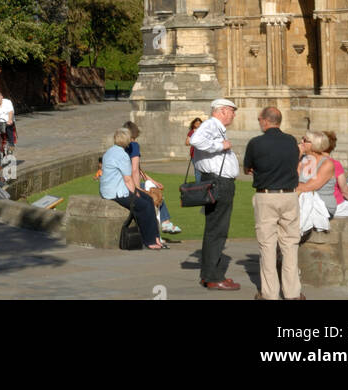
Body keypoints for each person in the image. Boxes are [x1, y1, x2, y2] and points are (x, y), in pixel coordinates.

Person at [242, 105, 303, 301]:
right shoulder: (291, 141)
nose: (259, 122)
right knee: (290, 245)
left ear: (266, 121)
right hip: (289, 195)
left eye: (260, 119)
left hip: (267, 195)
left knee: (267, 246)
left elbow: (247, 168)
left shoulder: (256, 143)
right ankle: (292, 293)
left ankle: (270, 294)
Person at [191, 98, 240, 290]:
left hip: (218, 181)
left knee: (216, 229)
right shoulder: (211, 124)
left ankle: (212, 273)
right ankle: (212, 276)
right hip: (218, 182)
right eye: (232, 111)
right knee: (217, 229)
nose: (234, 115)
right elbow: (196, 140)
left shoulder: (216, 127)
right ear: (223, 111)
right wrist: (221, 146)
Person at [99, 128, 163, 249]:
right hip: (116, 192)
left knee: (149, 200)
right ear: (127, 140)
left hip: (109, 189)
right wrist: (135, 193)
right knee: (143, 205)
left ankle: (155, 237)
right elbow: (128, 179)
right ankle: (149, 241)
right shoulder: (122, 155)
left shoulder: (109, 151)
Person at [123, 122, 181, 233]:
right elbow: (134, 169)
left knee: (155, 188)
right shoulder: (134, 145)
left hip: (122, 183)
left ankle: (165, 223)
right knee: (155, 194)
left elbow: (138, 169)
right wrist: (137, 188)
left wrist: (152, 180)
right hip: (131, 184)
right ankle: (165, 223)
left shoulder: (121, 148)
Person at [323, 130, 348, 219]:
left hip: (318, 205)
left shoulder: (309, 162)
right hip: (336, 205)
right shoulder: (334, 164)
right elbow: (345, 190)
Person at [296, 132, 337, 216]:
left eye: (305, 140)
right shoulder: (301, 160)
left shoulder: (327, 164)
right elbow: (288, 177)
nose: (301, 142)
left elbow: (307, 187)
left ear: (315, 144)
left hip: (322, 205)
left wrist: (290, 185)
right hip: (301, 202)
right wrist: (297, 156)